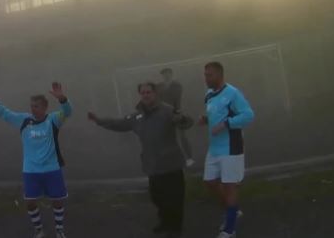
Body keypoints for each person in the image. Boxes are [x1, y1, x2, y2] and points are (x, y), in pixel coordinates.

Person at [88, 82, 193, 238]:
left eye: (148, 92)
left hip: (171, 164)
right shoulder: (138, 116)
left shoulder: (167, 110)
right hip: (152, 165)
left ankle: (175, 228)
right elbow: (119, 123)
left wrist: (181, 119)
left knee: (174, 199)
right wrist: (99, 120)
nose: (145, 95)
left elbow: (187, 122)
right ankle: (165, 222)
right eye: (143, 92)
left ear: (155, 93)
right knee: (157, 197)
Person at [0, 83, 73, 238]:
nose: (33, 109)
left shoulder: (53, 120)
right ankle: (39, 230)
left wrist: (62, 98)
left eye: (37, 106)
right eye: (32, 106)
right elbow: (5, 113)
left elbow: (67, 112)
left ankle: (59, 230)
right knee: (30, 202)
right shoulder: (24, 120)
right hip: (31, 170)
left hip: (52, 168)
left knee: (57, 200)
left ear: (45, 107)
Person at [199, 62, 255, 238]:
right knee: (209, 182)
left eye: (210, 75)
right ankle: (233, 210)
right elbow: (216, 114)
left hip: (231, 147)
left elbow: (248, 115)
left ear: (219, 75)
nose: (206, 78)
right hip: (214, 148)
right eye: (205, 74)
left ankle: (229, 229)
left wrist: (226, 124)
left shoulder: (233, 93)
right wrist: (206, 120)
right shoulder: (209, 94)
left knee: (230, 187)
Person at [157, 68, 196, 168]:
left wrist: (178, 112)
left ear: (171, 74)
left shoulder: (177, 85)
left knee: (182, 136)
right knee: (165, 137)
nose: (166, 75)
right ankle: (169, 160)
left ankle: (189, 158)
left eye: (168, 73)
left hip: (176, 112)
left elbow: (177, 99)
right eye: (164, 74)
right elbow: (157, 99)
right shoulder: (159, 86)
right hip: (164, 114)